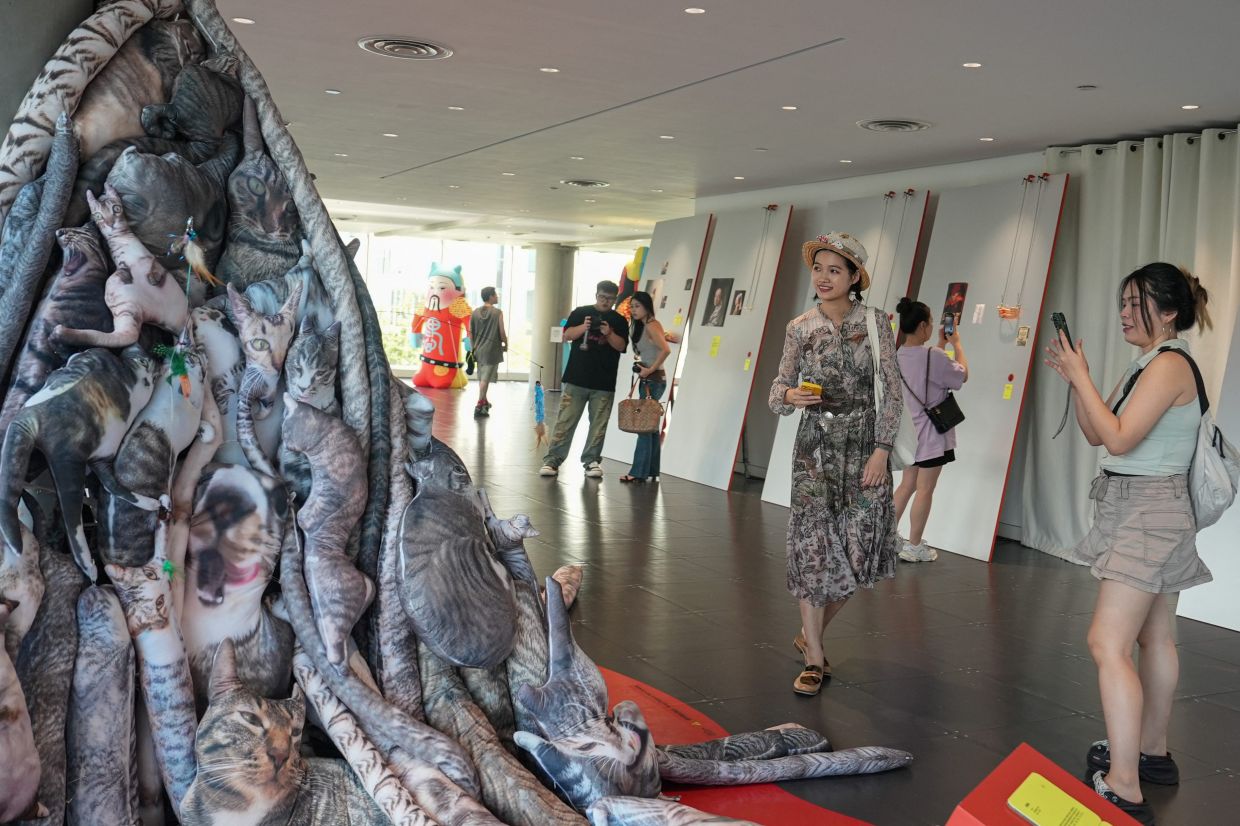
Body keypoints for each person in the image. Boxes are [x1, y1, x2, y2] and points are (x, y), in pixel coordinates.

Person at [1044, 262, 1213, 826]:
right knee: (1154, 636)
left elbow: (1117, 440)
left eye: (1134, 304)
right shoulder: (1147, 363)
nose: (1123, 313)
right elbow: (1096, 430)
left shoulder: (1168, 365)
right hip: (1146, 507)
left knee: (1106, 642)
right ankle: (1152, 754)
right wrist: (1080, 380)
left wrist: (1083, 378)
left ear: (1168, 312)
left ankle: (1124, 785)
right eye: (1122, 303)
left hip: (1149, 512)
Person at [768, 233, 902, 697]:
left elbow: (892, 389)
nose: (823, 278)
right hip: (815, 450)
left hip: (864, 446)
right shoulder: (799, 327)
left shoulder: (877, 323)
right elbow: (777, 391)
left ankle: (811, 635)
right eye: (818, 269)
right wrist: (790, 395)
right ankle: (814, 657)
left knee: (860, 551)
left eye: (834, 270)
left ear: (854, 277)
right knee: (813, 550)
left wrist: (882, 449)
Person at [892, 297, 969, 562]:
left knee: (907, 485)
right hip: (932, 437)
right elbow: (962, 375)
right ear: (923, 325)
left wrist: (940, 344)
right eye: (931, 323)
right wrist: (956, 344)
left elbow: (926, 370)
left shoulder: (897, 355)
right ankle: (914, 546)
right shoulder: (933, 356)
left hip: (909, 435)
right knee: (925, 490)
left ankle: (887, 539)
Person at [539, 280, 629, 478]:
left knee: (599, 425)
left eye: (610, 299)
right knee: (565, 421)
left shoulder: (619, 320)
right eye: (602, 297)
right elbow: (567, 335)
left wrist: (609, 332)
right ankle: (552, 460)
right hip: (576, 378)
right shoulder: (581, 312)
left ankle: (591, 461)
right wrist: (584, 326)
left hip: (604, 382)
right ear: (596, 295)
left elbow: (622, 346)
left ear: (615, 299)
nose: (605, 301)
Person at [620, 291, 671, 484]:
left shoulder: (651, 325)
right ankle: (650, 470)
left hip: (653, 380)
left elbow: (666, 349)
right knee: (650, 427)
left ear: (647, 307)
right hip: (652, 379)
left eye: (637, 306)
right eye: (632, 307)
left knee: (644, 427)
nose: (633, 310)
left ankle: (638, 472)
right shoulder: (644, 325)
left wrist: (650, 369)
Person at [469, 286, 507, 417]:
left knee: (482, 377)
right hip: (492, 351)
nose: (497, 296)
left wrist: (473, 348)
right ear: (490, 296)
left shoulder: (475, 313)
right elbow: (502, 332)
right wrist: (506, 343)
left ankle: (484, 401)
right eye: (495, 295)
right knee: (485, 379)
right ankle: (480, 403)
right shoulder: (498, 313)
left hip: (478, 350)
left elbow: (471, 333)